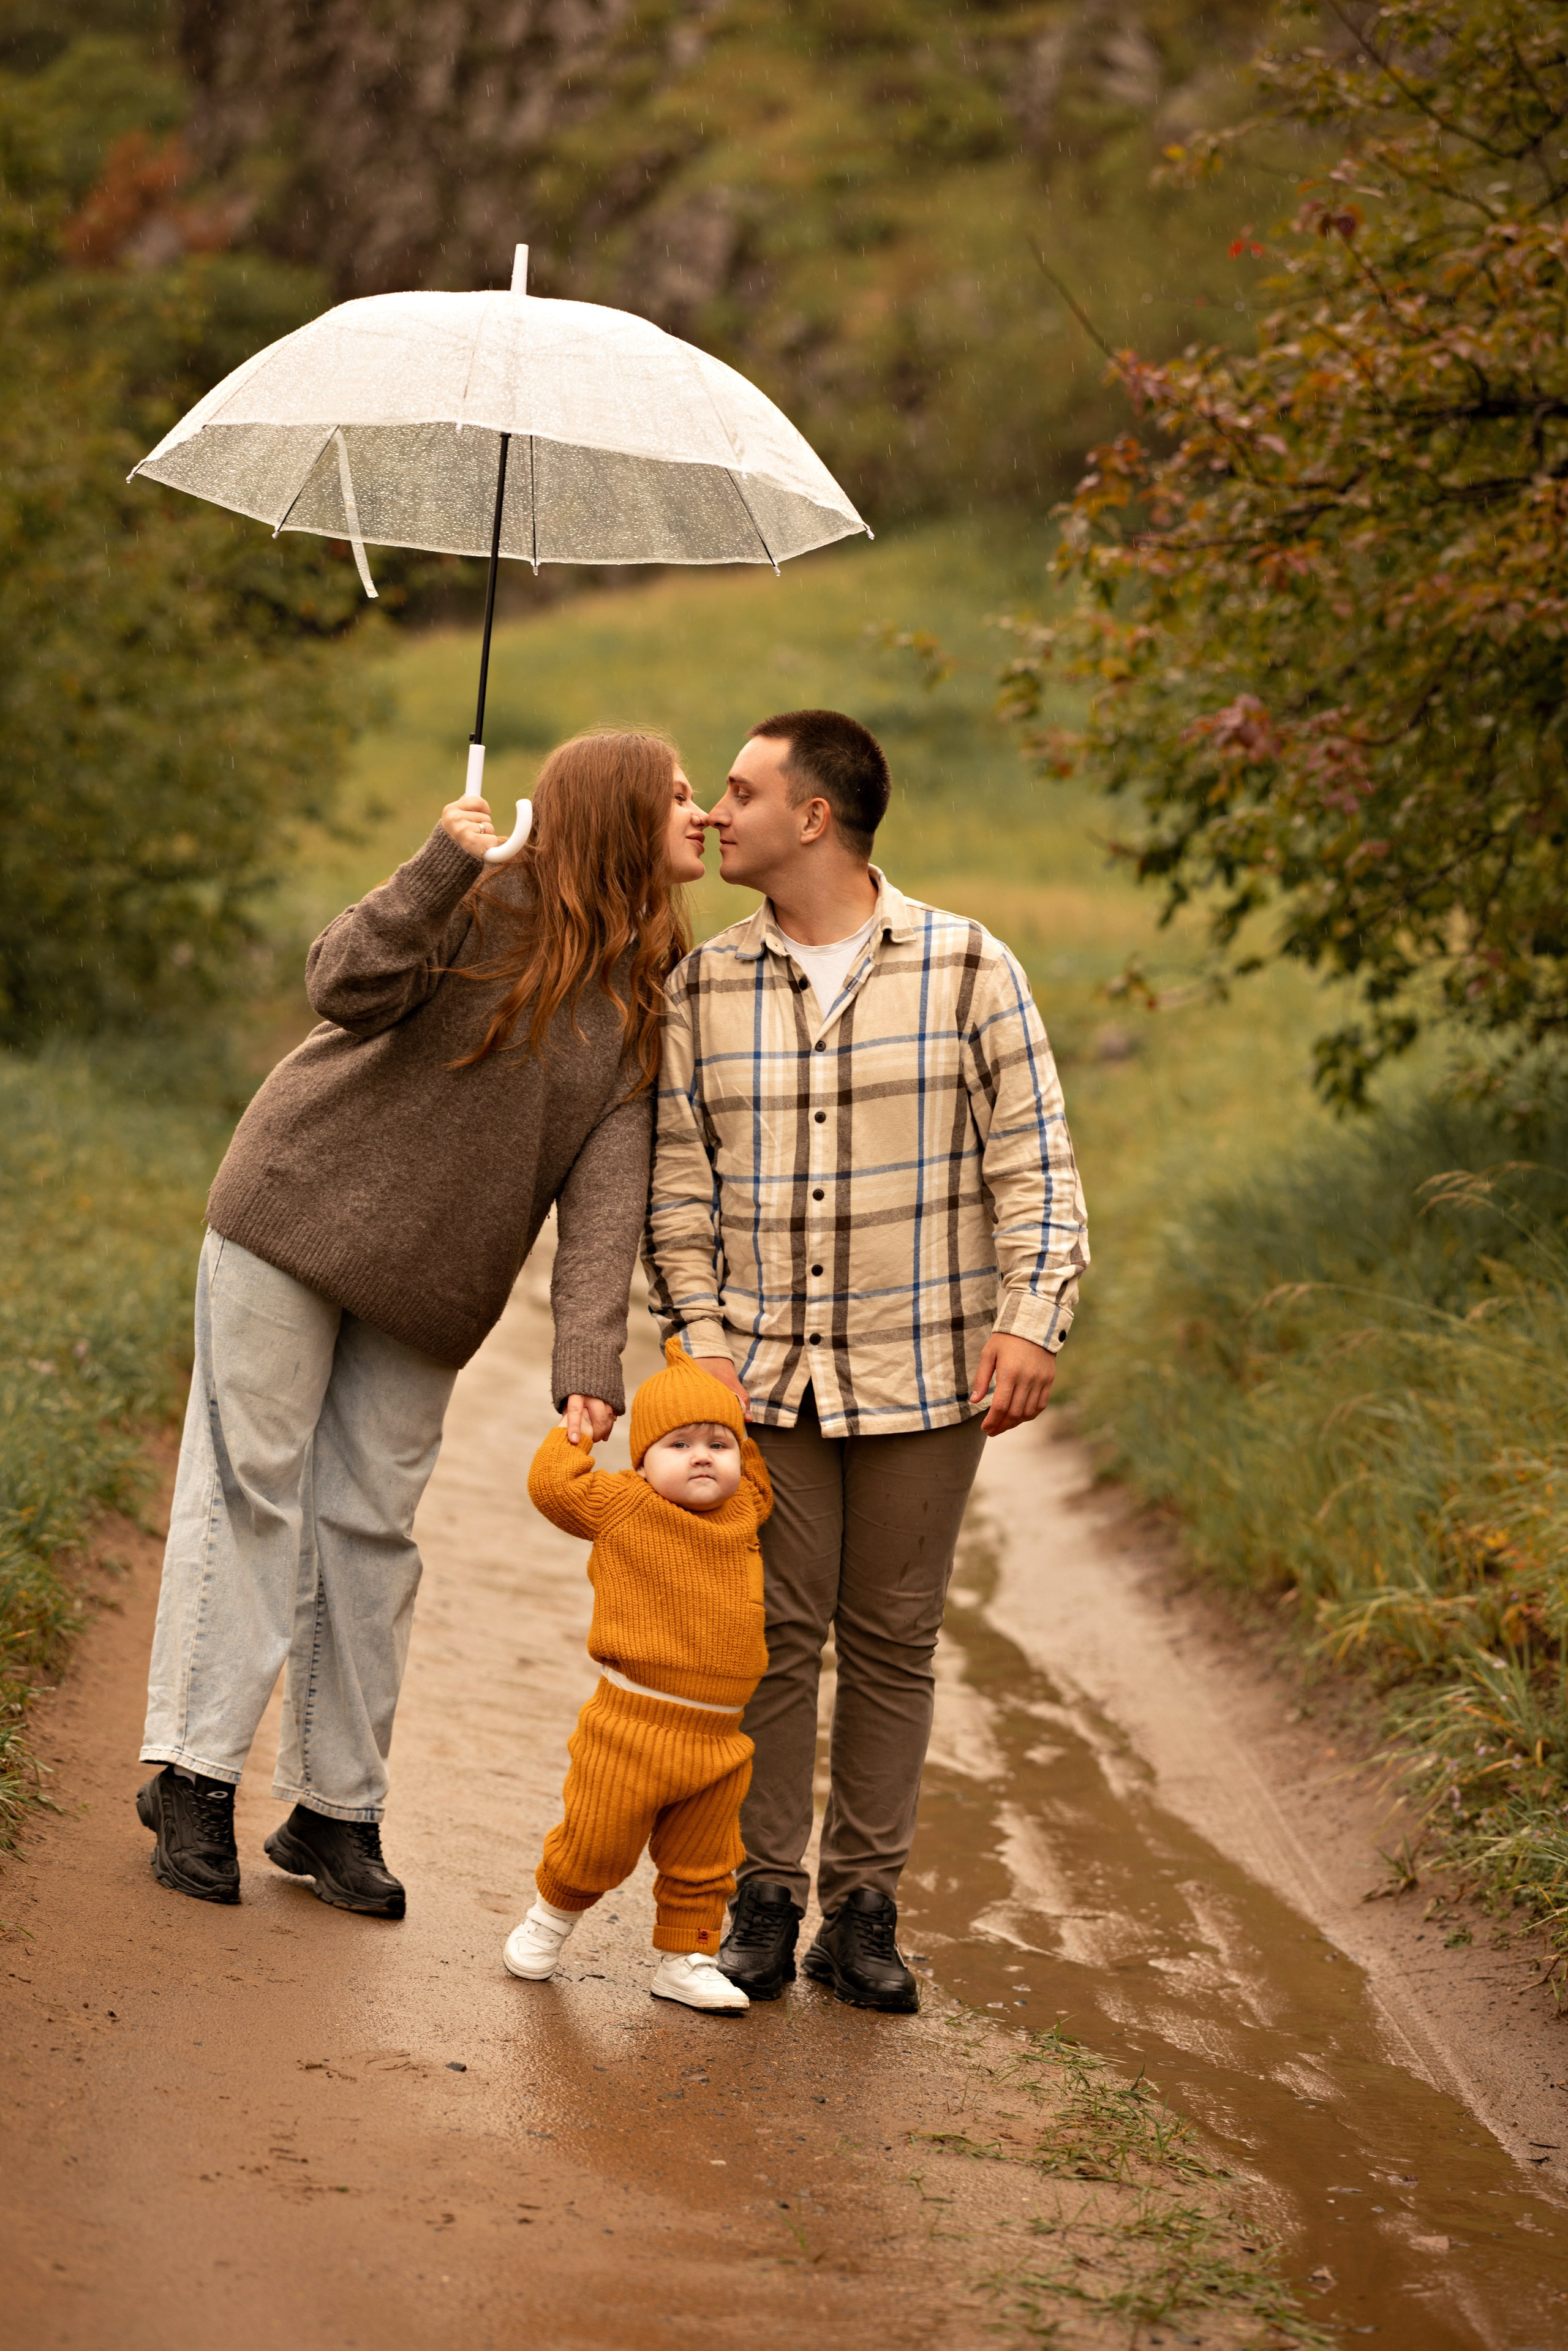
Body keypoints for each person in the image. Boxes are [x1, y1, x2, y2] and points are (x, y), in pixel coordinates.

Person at [137, 732, 707, 1919]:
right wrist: (431, 868)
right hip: (290, 1213)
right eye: (678, 796)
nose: (699, 815)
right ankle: (192, 1774)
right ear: (609, 811)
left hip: (429, 1286)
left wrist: (586, 1364)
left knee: (370, 1529)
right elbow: (339, 983)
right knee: (252, 1489)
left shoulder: (637, 996)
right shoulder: (478, 890)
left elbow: (606, 1203)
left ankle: (332, 1806)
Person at [644, 709, 1087, 2013]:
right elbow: (678, 1189)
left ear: (814, 816)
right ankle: (763, 1895)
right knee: (773, 1640)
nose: (717, 811)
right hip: (763, 1377)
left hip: (925, 1364)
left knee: (892, 1636)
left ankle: (863, 1907)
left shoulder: (965, 966)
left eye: (740, 788)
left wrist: (1031, 1312)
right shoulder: (704, 984)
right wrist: (702, 1346)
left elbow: (1034, 1161)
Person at [505, 1338, 773, 2012]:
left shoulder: (744, 1510)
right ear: (643, 1463)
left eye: (719, 1444)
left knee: (705, 1859)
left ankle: (686, 1958)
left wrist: (714, 1386)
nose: (703, 1456)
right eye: (680, 1445)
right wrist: (578, 1432)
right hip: (633, 1726)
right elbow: (550, 1486)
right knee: (595, 1842)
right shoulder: (624, 1504)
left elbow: (756, 1470)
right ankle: (549, 1918)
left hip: (719, 1736)